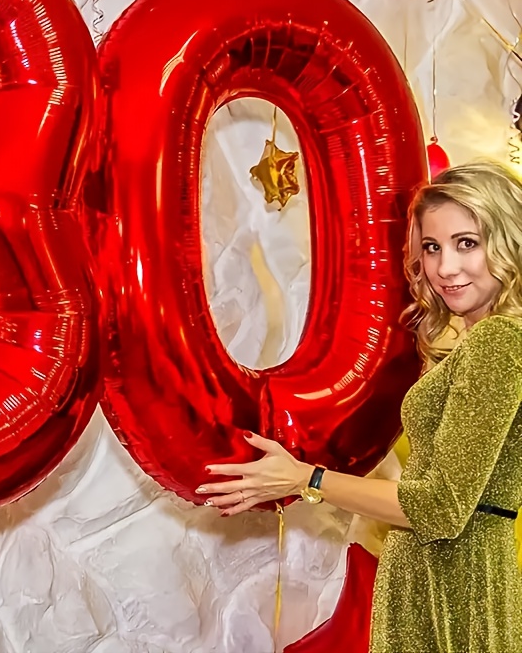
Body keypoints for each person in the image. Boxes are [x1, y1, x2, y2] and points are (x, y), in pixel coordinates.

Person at [196, 160, 522, 653]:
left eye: (467, 243)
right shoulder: (486, 340)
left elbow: (439, 508)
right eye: (432, 248)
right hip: (458, 577)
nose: (445, 268)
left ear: (507, 242)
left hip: (451, 585)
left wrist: (307, 479)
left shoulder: (499, 341)